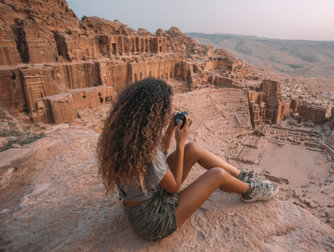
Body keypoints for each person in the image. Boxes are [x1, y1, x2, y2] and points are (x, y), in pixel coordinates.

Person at [97, 78, 279, 241]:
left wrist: (169, 130)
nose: (168, 113)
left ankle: (241, 176)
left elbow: (160, 155)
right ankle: (250, 190)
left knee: (192, 149)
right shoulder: (147, 154)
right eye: (165, 110)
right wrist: (179, 141)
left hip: (145, 201)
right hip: (154, 219)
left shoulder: (132, 140)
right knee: (217, 175)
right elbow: (175, 186)